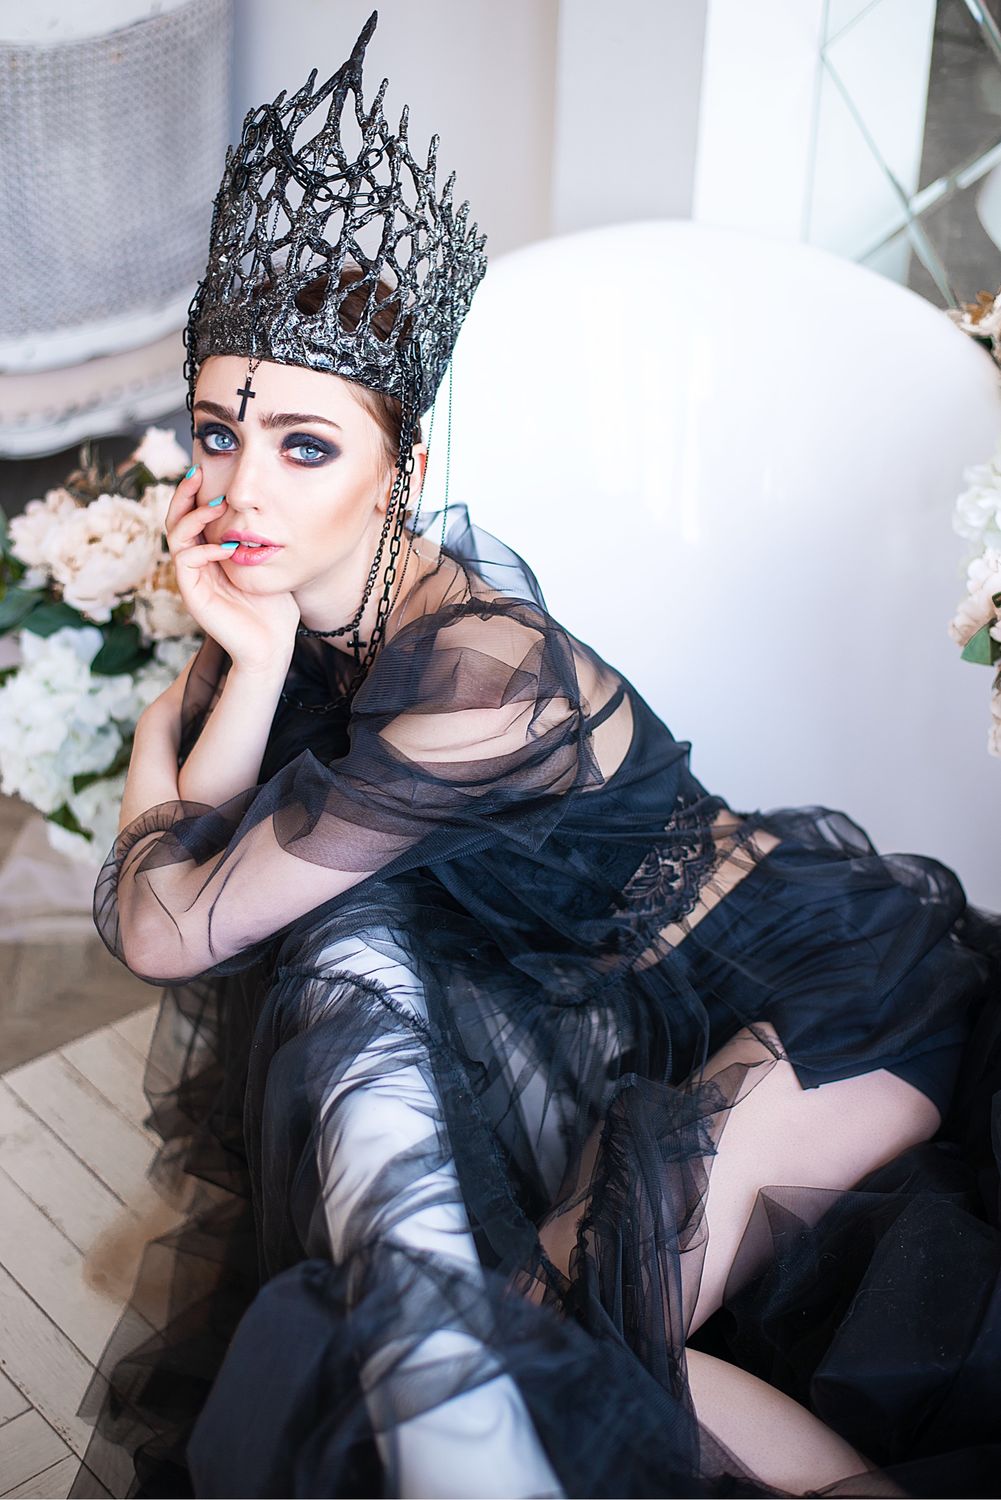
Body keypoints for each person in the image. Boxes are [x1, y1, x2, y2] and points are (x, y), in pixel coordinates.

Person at [70, 12, 1001, 1499]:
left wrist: (167, 726)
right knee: (510, 1345)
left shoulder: (480, 679)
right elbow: (192, 861)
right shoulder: (287, 599)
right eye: (218, 435)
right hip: (645, 1009)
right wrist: (236, 667)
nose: (243, 491)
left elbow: (165, 924)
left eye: (306, 445)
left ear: (403, 467)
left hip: (828, 994)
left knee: (538, 1356)